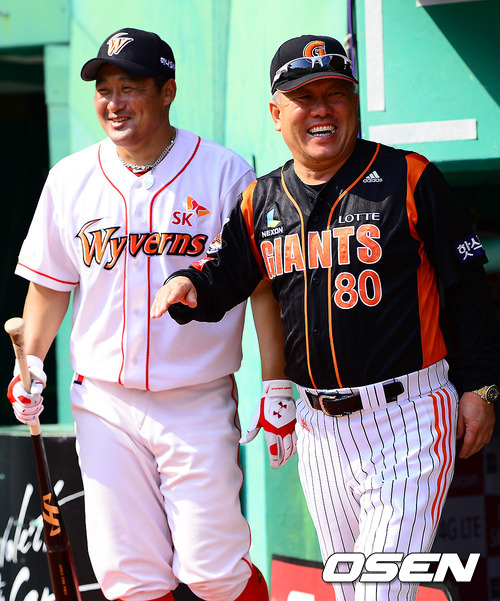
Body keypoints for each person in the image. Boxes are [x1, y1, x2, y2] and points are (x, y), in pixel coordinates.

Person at [150, 34, 500, 601]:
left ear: (354, 101)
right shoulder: (260, 200)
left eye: (335, 93)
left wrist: (481, 386)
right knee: (351, 590)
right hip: (319, 430)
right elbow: (225, 276)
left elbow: (468, 291)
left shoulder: (409, 177)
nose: (321, 109)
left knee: (377, 593)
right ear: (276, 113)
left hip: (409, 416)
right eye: (304, 97)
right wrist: (190, 284)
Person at [7, 27, 274, 601]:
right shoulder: (70, 178)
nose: (114, 102)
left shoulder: (225, 173)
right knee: (129, 577)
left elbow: (261, 289)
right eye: (104, 89)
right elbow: (50, 286)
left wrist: (275, 383)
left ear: (167, 91)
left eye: (130, 87)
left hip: (196, 395)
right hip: (104, 400)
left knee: (215, 572)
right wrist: (29, 366)